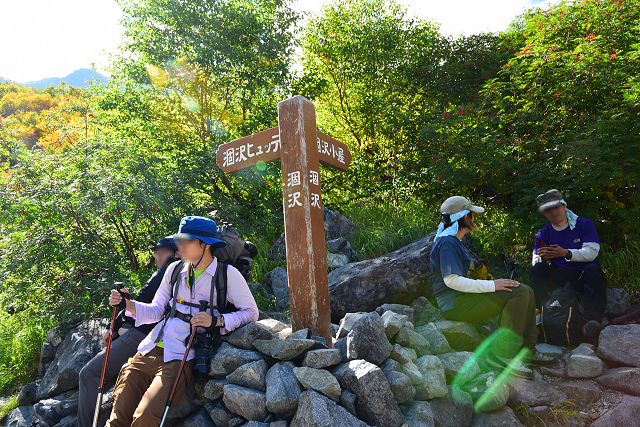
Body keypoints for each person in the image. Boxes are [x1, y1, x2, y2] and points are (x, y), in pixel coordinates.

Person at [105, 216, 259, 427]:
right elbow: (157, 310)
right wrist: (127, 304)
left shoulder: (227, 275)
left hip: (180, 357)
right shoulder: (175, 269)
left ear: (204, 244)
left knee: (145, 418)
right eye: (179, 240)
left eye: (186, 240)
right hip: (149, 349)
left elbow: (251, 312)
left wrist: (217, 320)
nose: (179, 246)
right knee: (117, 419)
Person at [429, 196, 541, 372]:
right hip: (455, 304)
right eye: (472, 215)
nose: (474, 218)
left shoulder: (454, 241)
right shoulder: (447, 243)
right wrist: (492, 286)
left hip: (463, 299)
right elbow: (451, 280)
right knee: (518, 292)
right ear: (464, 217)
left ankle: (527, 352)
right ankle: (503, 355)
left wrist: (491, 283)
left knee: (525, 290)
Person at [76, 237, 179, 427]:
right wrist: (116, 325)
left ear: (176, 253)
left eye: (162, 251)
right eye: (157, 252)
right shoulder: (183, 273)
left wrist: (114, 327)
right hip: (156, 338)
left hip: (143, 336)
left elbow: (144, 307)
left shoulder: (169, 270)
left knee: (89, 374)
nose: (157, 256)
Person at [529, 189, 607, 339]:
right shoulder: (543, 234)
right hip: (559, 276)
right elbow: (536, 259)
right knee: (537, 269)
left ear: (564, 206)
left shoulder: (584, 225)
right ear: (544, 213)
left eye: (556, 207)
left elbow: (592, 252)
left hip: (582, 275)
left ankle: (591, 322)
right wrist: (543, 257)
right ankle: (539, 314)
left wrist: (565, 253)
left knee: (594, 270)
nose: (553, 212)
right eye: (547, 210)